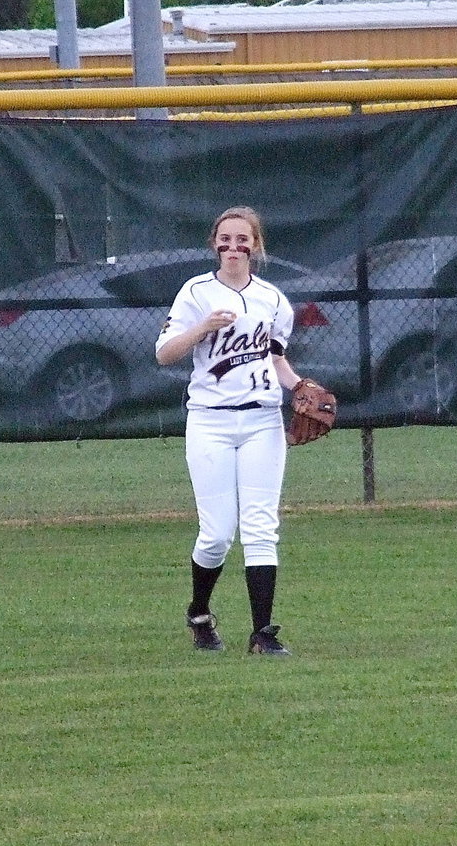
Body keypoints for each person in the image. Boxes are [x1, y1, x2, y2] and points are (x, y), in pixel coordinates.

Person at [154, 206, 307, 656]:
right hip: (210, 421)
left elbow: (275, 360)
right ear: (214, 243)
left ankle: (263, 634)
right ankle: (199, 613)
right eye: (226, 238)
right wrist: (203, 327)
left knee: (261, 526)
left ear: (255, 245)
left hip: (262, 419)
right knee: (218, 533)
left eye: (243, 239)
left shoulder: (274, 300)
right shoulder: (196, 292)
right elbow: (165, 353)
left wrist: (299, 386)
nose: (234, 246)